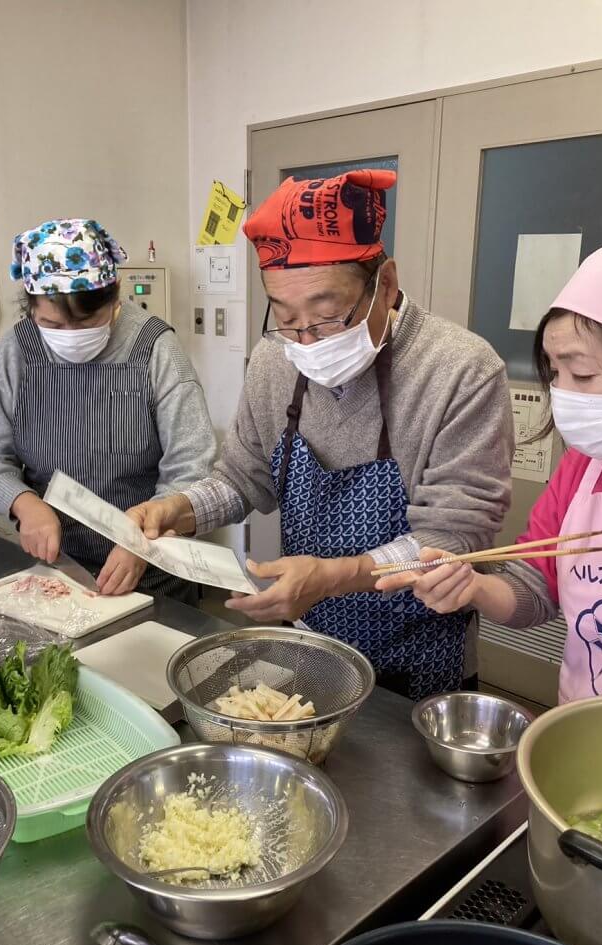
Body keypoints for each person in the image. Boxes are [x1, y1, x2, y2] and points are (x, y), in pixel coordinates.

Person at [127, 171, 514, 700]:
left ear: (386, 284)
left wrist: (333, 577)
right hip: (310, 641)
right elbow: (242, 478)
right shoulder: (274, 360)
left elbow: (454, 538)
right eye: (287, 319)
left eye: (329, 317)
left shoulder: (460, 370)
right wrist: (181, 508)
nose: (307, 342)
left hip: (419, 653)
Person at [376, 244, 602, 704]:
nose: (562, 393)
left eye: (582, 374)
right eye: (554, 372)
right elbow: (536, 589)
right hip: (582, 726)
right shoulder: (583, 467)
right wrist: (473, 586)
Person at [0, 218, 216, 601]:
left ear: (115, 296)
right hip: (56, 570)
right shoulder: (18, 350)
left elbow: (192, 465)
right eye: (52, 324)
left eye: (88, 322)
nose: (71, 338)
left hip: (152, 573)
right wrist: (24, 504)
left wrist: (140, 542)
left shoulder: (154, 347)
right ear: (30, 306)